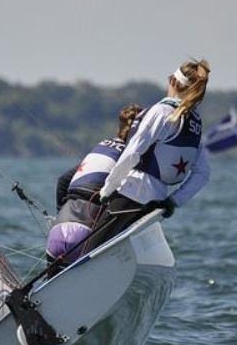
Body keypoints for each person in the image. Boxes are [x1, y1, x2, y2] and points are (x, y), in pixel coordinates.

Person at [83, 58, 211, 251]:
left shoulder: (161, 111)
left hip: (132, 191)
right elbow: (203, 173)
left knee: (89, 250)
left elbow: (133, 152)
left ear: (174, 82)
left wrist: (107, 190)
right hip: (156, 203)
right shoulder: (195, 123)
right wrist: (173, 201)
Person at [45, 104, 143, 268]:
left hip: (58, 230)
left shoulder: (102, 145)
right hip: (86, 237)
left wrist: (59, 215)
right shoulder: (132, 156)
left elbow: (63, 180)